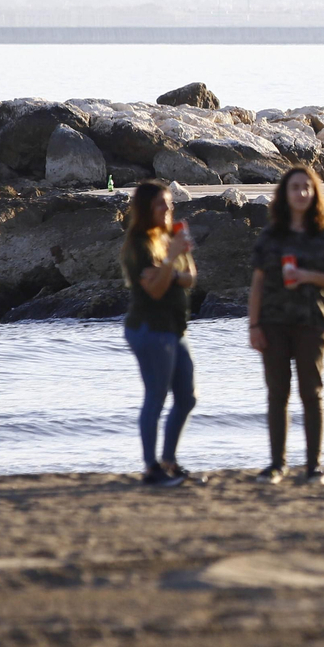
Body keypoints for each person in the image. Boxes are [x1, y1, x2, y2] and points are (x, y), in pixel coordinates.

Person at [247, 167, 324, 486]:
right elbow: (257, 284)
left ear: (314, 193)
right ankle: (277, 465)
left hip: (312, 322)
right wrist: (253, 325)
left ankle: (314, 467)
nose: (301, 193)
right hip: (273, 323)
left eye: (306, 187)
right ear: (284, 194)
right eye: (294, 187)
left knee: (311, 393)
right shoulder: (271, 236)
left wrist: (308, 277)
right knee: (277, 394)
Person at [120, 180, 198, 488]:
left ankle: (169, 460)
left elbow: (190, 278)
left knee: (187, 397)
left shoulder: (169, 237)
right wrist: (169, 261)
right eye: (160, 205)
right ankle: (151, 467)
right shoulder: (138, 244)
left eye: (169, 204)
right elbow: (154, 290)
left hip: (174, 329)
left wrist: (172, 267)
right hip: (149, 329)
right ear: (146, 209)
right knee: (156, 396)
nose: (167, 209)